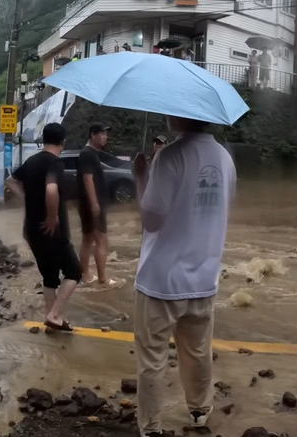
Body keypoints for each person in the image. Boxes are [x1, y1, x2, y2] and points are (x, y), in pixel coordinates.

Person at [131, 116, 237, 437]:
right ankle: (200, 411)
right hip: (205, 275)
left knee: (152, 357)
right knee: (198, 350)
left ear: (181, 116)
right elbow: (221, 208)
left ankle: (151, 427)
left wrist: (140, 178)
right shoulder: (225, 158)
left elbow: (151, 219)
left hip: (161, 280)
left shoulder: (170, 157)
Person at [6, 123, 80, 331]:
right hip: (52, 230)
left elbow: (10, 181)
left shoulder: (31, 161)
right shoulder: (54, 163)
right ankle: (55, 314)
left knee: (49, 276)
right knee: (75, 272)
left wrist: (27, 198)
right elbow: (51, 189)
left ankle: (52, 321)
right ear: (63, 141)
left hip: (31, 229)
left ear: (44, 139)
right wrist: (52, 216)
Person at [77, 124, 118, 288]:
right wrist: (94, 203)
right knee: (101, 239)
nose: (105, 137)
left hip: (87, 204)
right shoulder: (88, 154)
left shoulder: (91, 153)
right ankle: (102, 279)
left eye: (106, 134)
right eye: (101, 134)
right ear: (92, 135)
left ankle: (85, 276)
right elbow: (88, 179)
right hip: (92, 204)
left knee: (87, 239)